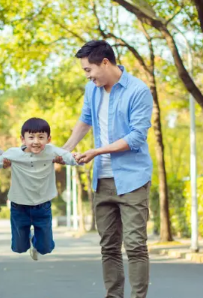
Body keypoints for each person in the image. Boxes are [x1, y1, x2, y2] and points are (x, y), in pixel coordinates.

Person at [63, 40, 153, 298]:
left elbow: (136, 137)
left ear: (105, 62)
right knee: (109, 248)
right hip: (101, 182)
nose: (87, 76)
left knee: (135, 246)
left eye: (88, 70)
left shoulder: (138, 90)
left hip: (132, 180)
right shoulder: (92, 90)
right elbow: (85, 120)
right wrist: (64, 149)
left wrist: (97, 151)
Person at [0, 117, 81, 261]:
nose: (36, 141)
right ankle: (28, 237)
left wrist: (77, 158)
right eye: (31, 137)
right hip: (19, 207)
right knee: (19, 248)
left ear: (48, 139)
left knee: (46, 248)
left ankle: (36, 241)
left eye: (41, 137)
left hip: (42, 206)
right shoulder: (13, 153)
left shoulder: (51, 151)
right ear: (23, 139)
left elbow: (67, 156)